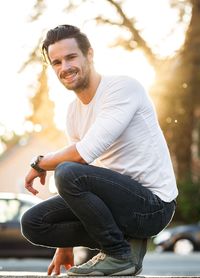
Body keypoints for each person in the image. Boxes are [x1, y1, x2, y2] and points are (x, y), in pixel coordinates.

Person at [21, 24, 178, 276]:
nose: (65, 68)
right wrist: (65, 245)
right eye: (57, 62)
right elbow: (81, 173)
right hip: (115, 202)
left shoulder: (122, 88)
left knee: (67, 172)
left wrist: (39, 163)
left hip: (152, 206)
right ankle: (126, 244)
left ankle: (118, 254)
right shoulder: (72, 113)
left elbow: (83, 155)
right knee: (33, 223)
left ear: (90, 55)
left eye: (71, 57)